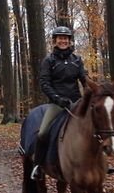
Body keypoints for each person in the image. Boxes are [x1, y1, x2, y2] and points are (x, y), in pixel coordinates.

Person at [30, 26, 87, 181]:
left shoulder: (77, 60)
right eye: (60, 38)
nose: (63, 41)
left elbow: (85, 79)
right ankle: (37, 166)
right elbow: (44, 82)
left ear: (69, 41)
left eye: (66, 38)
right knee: (43, 132)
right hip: (57, 104)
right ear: (55, 41)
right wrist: (56, 98)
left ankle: (99, 163)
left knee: (94, 126)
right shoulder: (49, 61)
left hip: (76, 102)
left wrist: (89, 93)